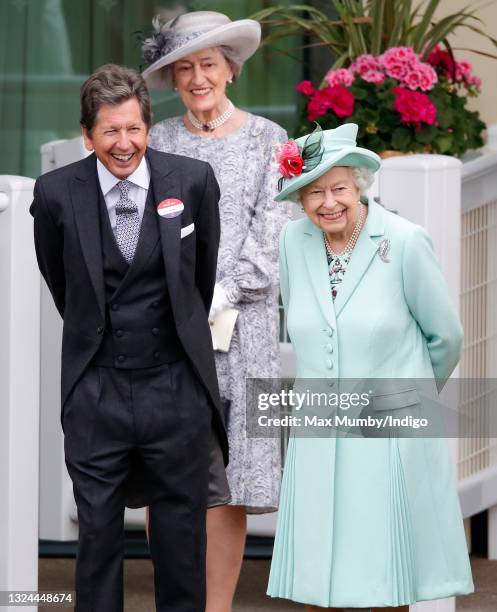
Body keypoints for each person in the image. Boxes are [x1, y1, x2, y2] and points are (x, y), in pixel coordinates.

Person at [30, 63, 228, 612]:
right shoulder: (53, 194)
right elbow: (64, 285)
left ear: (148, 126)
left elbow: (201, 277)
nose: (125, 144)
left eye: (134, 128)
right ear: (88, 134)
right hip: (96, 390)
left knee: (181, 539)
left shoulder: (191, 181)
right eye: (110, 131)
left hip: (176, 387)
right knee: (96, 538)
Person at [267, 123, 474, 611]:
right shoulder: (293, 244)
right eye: (314, 192)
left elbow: (446, 337)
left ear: (358, 184)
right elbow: (305, 324)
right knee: (320, 578)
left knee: (385, 575)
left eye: (338, 187)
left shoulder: (403, 242)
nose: (328, 202)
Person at [140, 11, 290, 611]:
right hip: (169, 333)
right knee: (165, 471)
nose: (198, 78)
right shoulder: (157, 141)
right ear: (174, 79)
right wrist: (179, 305)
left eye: (208, 64)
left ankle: (217, 608)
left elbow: (274, 232)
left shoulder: (269, 141)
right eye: (184, 69)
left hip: (242, 330)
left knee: (224, 484)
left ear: (231, 68)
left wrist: (218, 298)